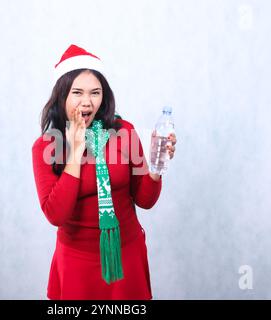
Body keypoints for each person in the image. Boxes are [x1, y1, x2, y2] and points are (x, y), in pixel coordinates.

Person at [32, 44, 177, 300]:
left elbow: (144, 200)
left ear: (104, 96)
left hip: (126, 255)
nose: (87, 101)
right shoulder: (46, 147)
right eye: (77, 92)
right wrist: (76, 151)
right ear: (61, 96)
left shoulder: (124, 132)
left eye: (95, 93)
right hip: (77, 262)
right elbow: (56, 214)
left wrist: (156, 165)